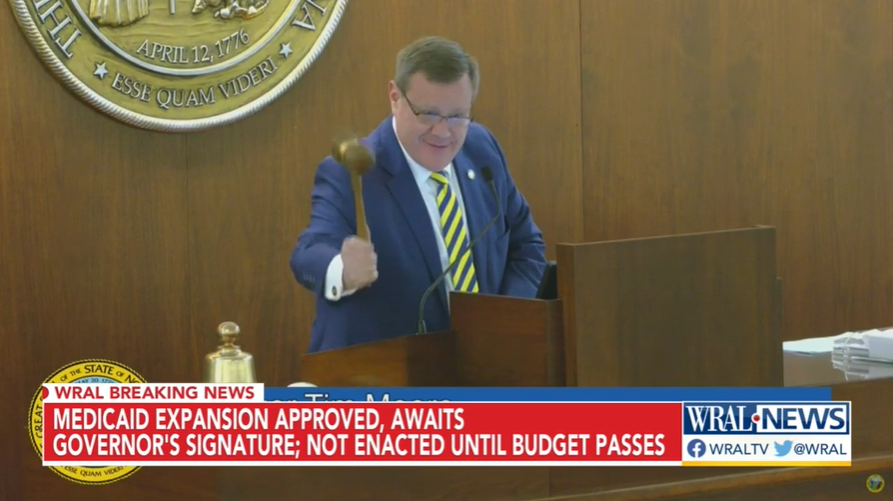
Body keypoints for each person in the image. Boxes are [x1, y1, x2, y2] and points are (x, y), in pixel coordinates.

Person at [290, 36, 547, 353]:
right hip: (380, 370)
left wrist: (504, 321)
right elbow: (306, 254)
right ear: (394, 97)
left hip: (482, 363)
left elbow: (526, 245)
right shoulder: (352, 172)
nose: (443, 131)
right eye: (428, 114)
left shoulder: (481, 149)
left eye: (458, 116)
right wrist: (341, 269)